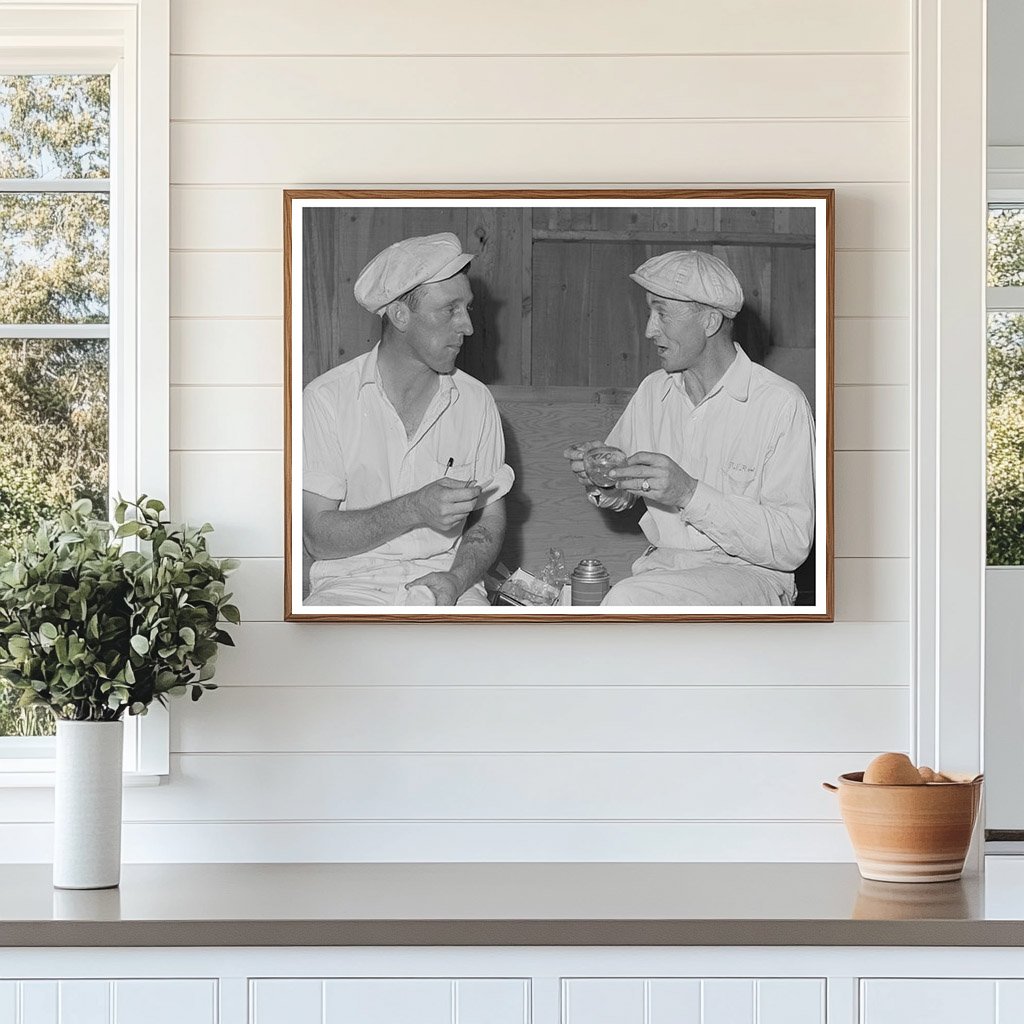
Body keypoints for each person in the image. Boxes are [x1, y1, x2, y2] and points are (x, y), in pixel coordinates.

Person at [563, 250, 815, 607]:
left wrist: (688, 493)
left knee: (627, 600)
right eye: (650, 312)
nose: (649, 330)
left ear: (710, 322)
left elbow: (792, 545)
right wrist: (603, 476)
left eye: (662, 313)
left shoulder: (780, 404)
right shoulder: (654, 391)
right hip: (664, 570)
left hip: (751, 578)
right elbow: (622, 495)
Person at [302, 232, 514, 606]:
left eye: (467, 308)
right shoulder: (326, 399)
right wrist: (414, 508)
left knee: (485, 641)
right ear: (400, 315)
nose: (467, 326)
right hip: (350, 586)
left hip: (451, 584)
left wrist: (456, 580)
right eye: (449, 310)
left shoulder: (476, 401)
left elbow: (489, 520)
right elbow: (318, 537)